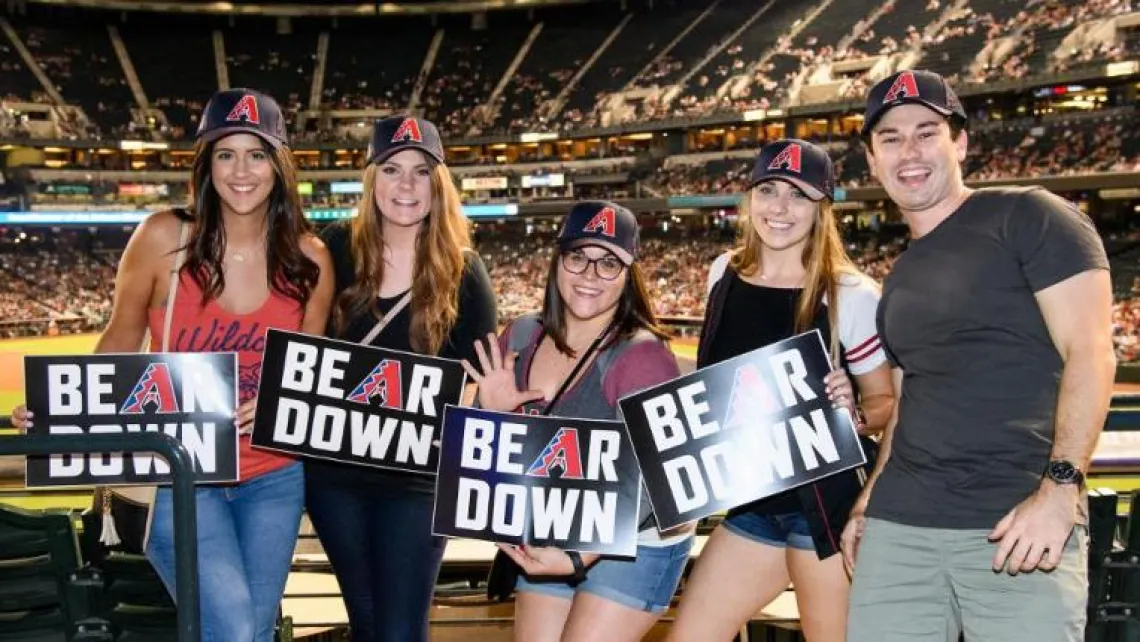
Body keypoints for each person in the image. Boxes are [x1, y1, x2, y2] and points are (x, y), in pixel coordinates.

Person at [13, 88, 335, 641]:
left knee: (253, 632)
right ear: (205, 164)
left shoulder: (311, 259)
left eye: (257, 154)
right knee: (232, 628)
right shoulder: (164, 237)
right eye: (225, 153)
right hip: (173, 474)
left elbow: (311, 374)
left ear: (280, 166)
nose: (241, 171)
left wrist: (281, 404)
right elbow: (121, 337)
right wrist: (64, 408)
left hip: (274, 477)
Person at [842, 69, 1115, 642]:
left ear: (959, 143)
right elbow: (915, 393)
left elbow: (1090, 351)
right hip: (900, 526)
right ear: (871, 160)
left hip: (1014, 522)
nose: (908, 152)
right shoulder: (901, 275)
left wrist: (1060, 491)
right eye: (890, 138)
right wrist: (869, 500)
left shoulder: (1029, 216)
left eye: (926, 132)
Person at [665, 139, 896, 641]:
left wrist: (853, 410)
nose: (781, 208)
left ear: (822, 208)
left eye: (799, 195)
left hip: (827, 506)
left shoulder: (849, 293)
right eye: (768, 190)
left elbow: (886, 404)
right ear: (749, 197)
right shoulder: (723, 273)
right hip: (754, 503)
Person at [462, 201, 696, 642]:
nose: (589, 275)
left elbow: (659, 483)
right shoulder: (523, 335)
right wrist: (492, 415)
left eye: (609, 263)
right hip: (555, 523)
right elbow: (490, 460)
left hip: (637, 540)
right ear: (557, 261)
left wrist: (578, 557)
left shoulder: (641, 357)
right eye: (578, 257)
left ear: (629, 275)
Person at [304, 115, 497, 642]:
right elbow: (304, 345)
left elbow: (476, 383)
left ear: (439, 187)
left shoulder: (463, 270)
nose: (406, 185)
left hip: (415, 480)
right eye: (391, 169)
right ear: (372, 179)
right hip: (334, 474)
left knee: (401, 629)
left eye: (421, 172)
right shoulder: (336, 247)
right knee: (366, 622)